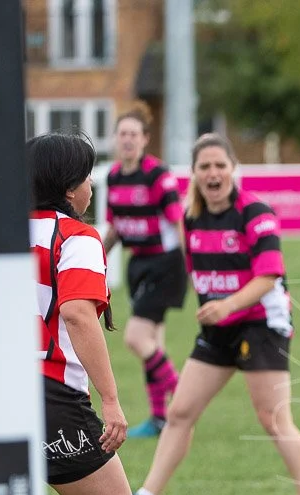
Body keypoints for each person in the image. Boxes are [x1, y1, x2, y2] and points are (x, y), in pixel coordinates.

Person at [130, 134, 300, 495]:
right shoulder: (190, 217)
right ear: (195, 174)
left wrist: (227, 304)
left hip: (261, 324)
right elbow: (198, 268)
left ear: (233, 169)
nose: (213, 173)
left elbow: (269, 275)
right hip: (218, 326)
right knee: (180, 411)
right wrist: (214, 307)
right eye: (205, 167)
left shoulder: (255, 212)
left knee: (273, 417)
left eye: (220, 165)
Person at [29, 132, 156, 495]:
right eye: (85, 176)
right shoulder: (75, 236)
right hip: (49, 396)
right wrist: (110, 400)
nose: (89, 186)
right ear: (67, 185)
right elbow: (79, 316)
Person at [100, 102, 185, 439]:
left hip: (166, 264)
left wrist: (192, 266)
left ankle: (182, 394)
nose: (128, 140)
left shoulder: (157, 176)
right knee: (152, 344)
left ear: (145, 139)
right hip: (140, 266)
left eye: (134, 134)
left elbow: (178, 224)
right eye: (123, 134)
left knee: (136, 338)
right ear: (116, 139)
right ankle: (160, 419)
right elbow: (116, 227)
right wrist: (98, 257)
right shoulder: (115, 176)